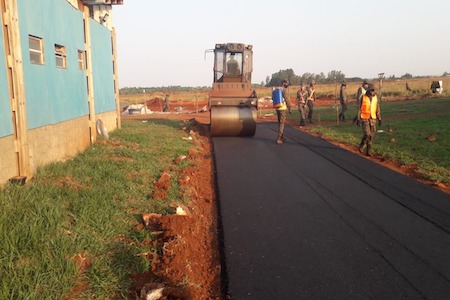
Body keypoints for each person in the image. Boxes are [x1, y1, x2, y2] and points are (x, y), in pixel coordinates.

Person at [358, 83, 381, 156]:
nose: (373, 91)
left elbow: (377, 108)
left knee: (371, 135)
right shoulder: (363, 97)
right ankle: (362, 145)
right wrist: (358, 118)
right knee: (367, 134)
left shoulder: (375, 98)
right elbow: (359, 108)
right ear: (368, 90)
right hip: (364, 118)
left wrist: (379, 117)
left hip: (373, 118)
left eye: (374, 90)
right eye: (372, 90)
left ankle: (368, 151)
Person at [276, 79, 292, 144]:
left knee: (280, 123)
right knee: (281, 124)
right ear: (283, 83)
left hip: (278, 108)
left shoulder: (277, 90)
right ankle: (279, 138)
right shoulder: (284, 90)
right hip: (282, 109)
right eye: (286, 83)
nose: (287, 84)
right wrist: (290, 108)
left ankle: (282, 137)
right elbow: (287, 100)